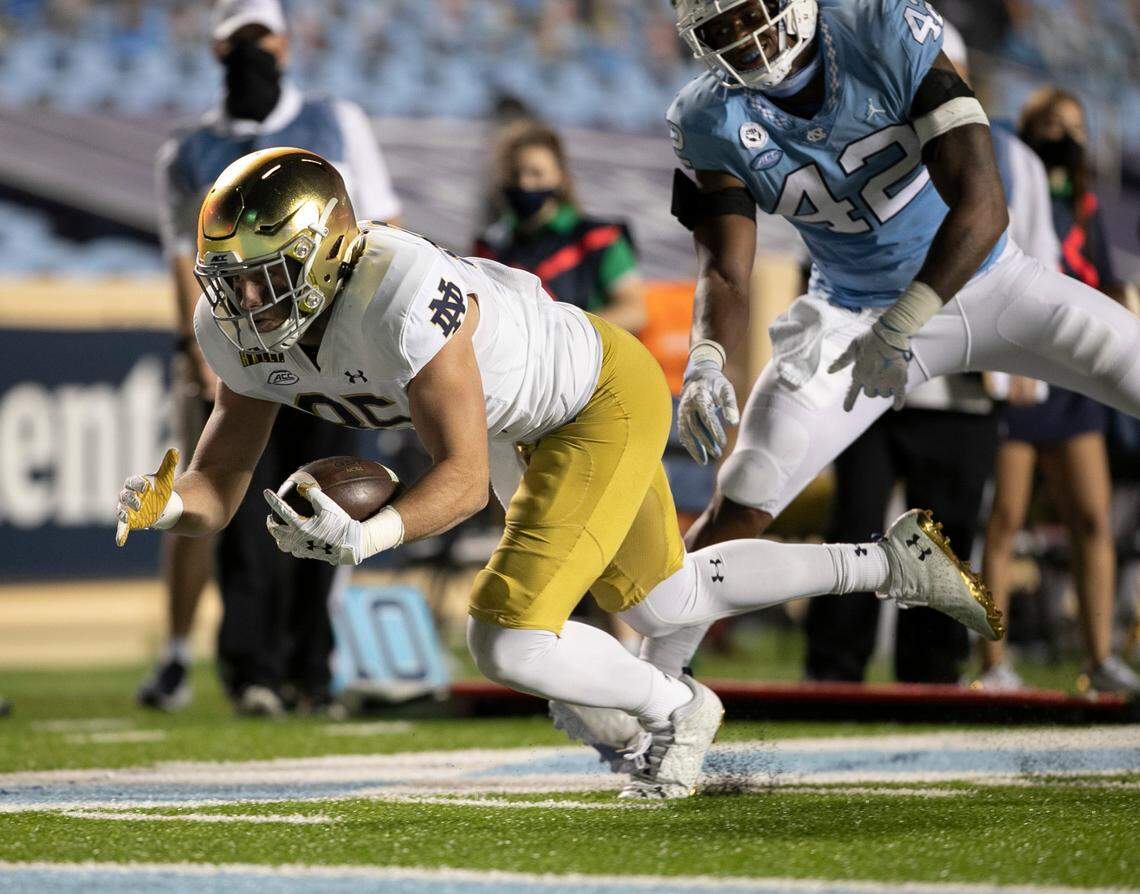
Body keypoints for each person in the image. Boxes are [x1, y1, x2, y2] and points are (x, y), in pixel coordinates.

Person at [115, 147, 1001, 799]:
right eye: (228, 280)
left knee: (506, 636)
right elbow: (219, 485)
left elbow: (459, 478)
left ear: (329, 253)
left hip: (590, 398)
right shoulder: (228, 329)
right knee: (664, 602)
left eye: (265, 278)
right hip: (523, 422)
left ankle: (679, 708)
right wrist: (165, 506)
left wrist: (370, 534)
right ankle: (890, 562)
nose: (242, 303)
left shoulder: (397, 289)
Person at [663, 1, 1139, 588]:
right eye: (722, 28)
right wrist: (706, 359)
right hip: (849, 312)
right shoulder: (708, 116)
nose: (744, 39)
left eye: (752, 13)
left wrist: (900, 326)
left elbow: (984, 208)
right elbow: (725, 272)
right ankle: (660, 672)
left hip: (987, 280)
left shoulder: (880, 27)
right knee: (747, 489)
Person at [142, 0, 402, 714]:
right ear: (218, 52)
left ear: (286, 44)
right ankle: (251, 670)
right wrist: (200, 352)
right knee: (239, 507)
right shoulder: (188, 148)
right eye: (238, 43)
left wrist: (373, 334)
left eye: (262, 39)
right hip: (243, 348)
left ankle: (312, 671)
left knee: (330, 495)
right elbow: (179, 260)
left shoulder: (336, 120)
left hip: (332, 343)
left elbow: (380, 223)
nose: (253, 55)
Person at [803, 21, 1061, 684]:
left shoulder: (1013, 157)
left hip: (962, 383)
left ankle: (931, 676)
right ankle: (832, 673)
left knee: (944, 538)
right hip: (868, 378)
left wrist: (1022, 361)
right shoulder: (852, 141)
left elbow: (1029, 257)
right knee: (853, 525)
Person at [978, 87, 1140, 694]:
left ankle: (1098, 658)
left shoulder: (1086, 203)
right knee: (1006, 521)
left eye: (1075, 127)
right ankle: (993, 663)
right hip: (1025, 374)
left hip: (1075, 388)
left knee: (1094, 520)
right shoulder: (1008, 185)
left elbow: (1106, 282)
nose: (1065, 137)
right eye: (1053, 125)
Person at [473, 120, 646, 333]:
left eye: (536, 173)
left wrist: (562, 332)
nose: (524, 184)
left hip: (585, 361)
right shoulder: (491, 248)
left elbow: (634, 312)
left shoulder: (599, 238)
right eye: (515, 174)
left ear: (560, 177)